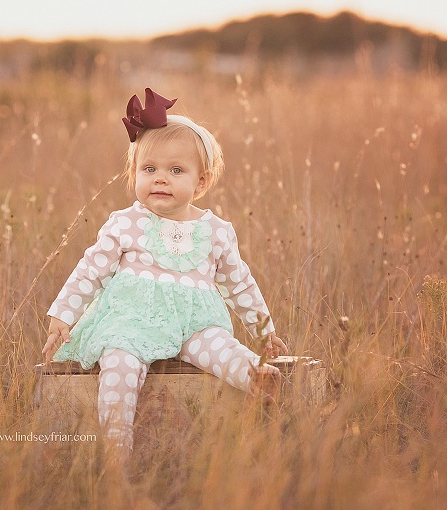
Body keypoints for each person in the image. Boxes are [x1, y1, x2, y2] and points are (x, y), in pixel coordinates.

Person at [42, 88, 288, 463]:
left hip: (195, 323)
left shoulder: (216, 231)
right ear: (134, 174)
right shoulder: (125, 223)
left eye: (176, 170)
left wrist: (265, 330)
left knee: (219, 347)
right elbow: (90, 269)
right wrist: (63, 316)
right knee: (119, 362)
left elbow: (240, 283)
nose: (161, 179)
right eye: (149, 169)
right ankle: (114, 454)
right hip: (133, 321)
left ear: (200, 183)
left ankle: (256, 375)